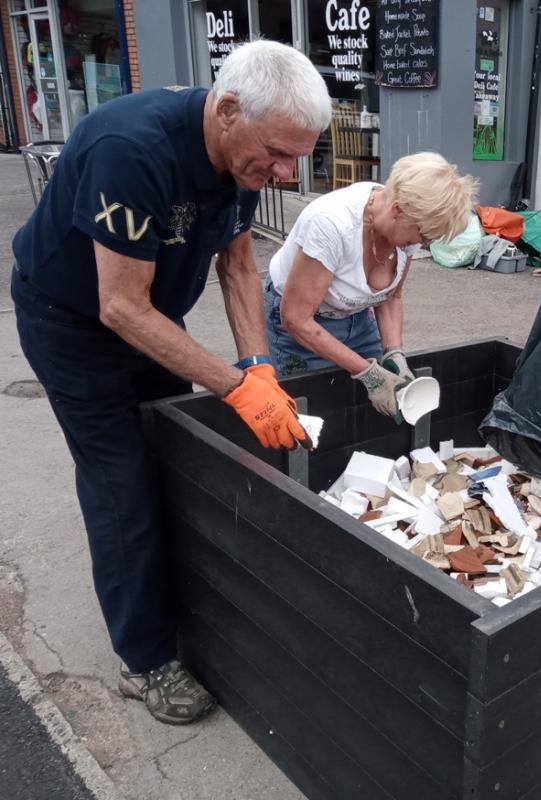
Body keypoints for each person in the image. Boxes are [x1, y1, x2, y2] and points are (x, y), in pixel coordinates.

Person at [10, 40, 332, 724]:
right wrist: (232, 387)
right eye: (276, 152)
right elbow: (119, 306)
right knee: (120, 483)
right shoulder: (133, 150)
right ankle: (147, 660)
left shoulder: (242, 166)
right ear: (228, 110)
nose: (282, 172)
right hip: (72, 321)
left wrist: (259, 369)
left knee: (177, 453)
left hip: (152, 315)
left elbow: (239, 267)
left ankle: (178, 602)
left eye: (295, 158)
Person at [265, 152, 476, 419]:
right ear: (397, 210)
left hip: (355, 313)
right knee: (316, 412)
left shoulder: (405, 225)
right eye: (423, 235)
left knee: (379, 403)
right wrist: (367, 372)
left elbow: (391, 296)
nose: (422, 244)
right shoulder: (331, 225)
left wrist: (394, 352)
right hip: (301, 320)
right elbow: (295, 318)